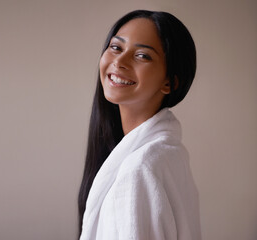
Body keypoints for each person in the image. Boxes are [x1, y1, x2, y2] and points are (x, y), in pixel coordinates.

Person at [78, 10, 201, 240]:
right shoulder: (170, 153)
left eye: (142, 55)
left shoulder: (138, 170)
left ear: (169, 82)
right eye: (116, 47)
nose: (119, 61)